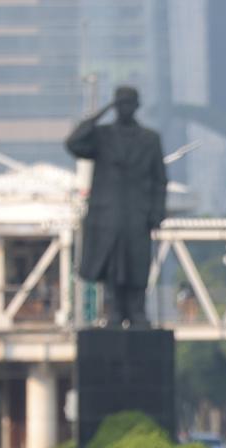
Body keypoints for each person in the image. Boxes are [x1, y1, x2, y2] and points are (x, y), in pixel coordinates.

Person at [65, 85, 167, 329]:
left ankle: (137, 310)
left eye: (129, 103)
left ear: (136, 106)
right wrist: (100, 113)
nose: (125, 108)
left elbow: (159, 179)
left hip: (137, 213)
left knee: (137, 262)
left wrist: (157, 212)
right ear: (115, 107)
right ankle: (115, 310)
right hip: (107, 213)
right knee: (111, 264)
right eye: (120, 104)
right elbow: (73, 143)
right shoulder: (101, 136)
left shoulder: (150, 139)